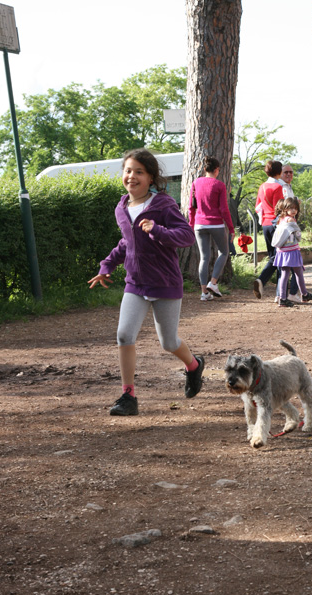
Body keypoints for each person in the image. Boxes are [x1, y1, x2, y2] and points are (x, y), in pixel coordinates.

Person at [88, 149, 204, 416]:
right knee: (124, 335)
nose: (132, 176)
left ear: (151, 178)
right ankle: (128, 396)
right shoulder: (121, 207)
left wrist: (158, 230)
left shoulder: (163, 205)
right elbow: (126, 243)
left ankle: (194, 365)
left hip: (164, 283)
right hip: (136, 284)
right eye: (128, 170)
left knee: (169, 342)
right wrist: (107, 266)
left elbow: (186, 235)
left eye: (139, 171)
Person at [189, 156, 235, 301]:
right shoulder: (219, 185)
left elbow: (191, 206)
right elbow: (223, 209)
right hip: (215, 224)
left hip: (199, 224)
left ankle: (204, 293)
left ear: (204, 169)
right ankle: (213, 283)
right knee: (223, 252)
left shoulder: (196, 182)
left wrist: (191, 225)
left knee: (204, 257)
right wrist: (231, 228)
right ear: (216, 170)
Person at [273, 197, 312, 307]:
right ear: (285, 208)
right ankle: (299, 295)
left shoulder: (281, 219)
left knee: (286, 274)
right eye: (291, 208)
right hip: (292, 250)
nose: (293, 210)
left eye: (295, 208)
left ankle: (287, 297)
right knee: (297, 273)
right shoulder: (291, 220)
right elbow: (298, 236)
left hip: (282, 251)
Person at [253, 160, 284, 300]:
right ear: (279, 171)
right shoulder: (278, 187)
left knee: (274, 256)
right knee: (280, 257)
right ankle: (279, 292)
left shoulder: (262, 186)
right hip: (276, 224)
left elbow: (258, 207)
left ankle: (263, 281)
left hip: (265, 224)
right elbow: (280, 208)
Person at [279, 164, 300, 303]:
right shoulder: (281, 188)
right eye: (285, 172)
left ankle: (285, 294)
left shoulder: (289, 188)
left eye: (291, 172)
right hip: (285, 229)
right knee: (289, 263)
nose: (288, 174)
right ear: (280, 173)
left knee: (285, 264)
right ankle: (289, 294)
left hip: (290, 228)